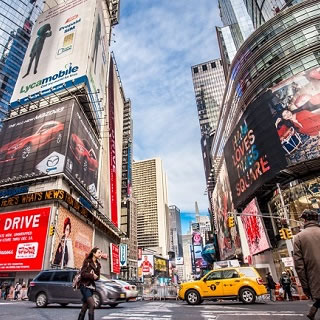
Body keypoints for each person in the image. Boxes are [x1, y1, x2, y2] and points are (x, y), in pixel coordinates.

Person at [293, 209, 320, 320]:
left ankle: (312, 311)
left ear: (305, 220)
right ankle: (312, 311)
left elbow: (299, 266)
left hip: (314, 277)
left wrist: (305, 286)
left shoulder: (299, 237)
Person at [77, 247, 102, 320]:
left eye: (101, 253)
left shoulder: (98, 264)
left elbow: (98, 277)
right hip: (84, 285)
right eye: (99, 252)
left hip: (91, 287)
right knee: (92, 304)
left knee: (85, 306)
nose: (100, 254)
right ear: (94, 253)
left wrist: (95, 277)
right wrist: (92, 275)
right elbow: (83, 274)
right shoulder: (87, 261)